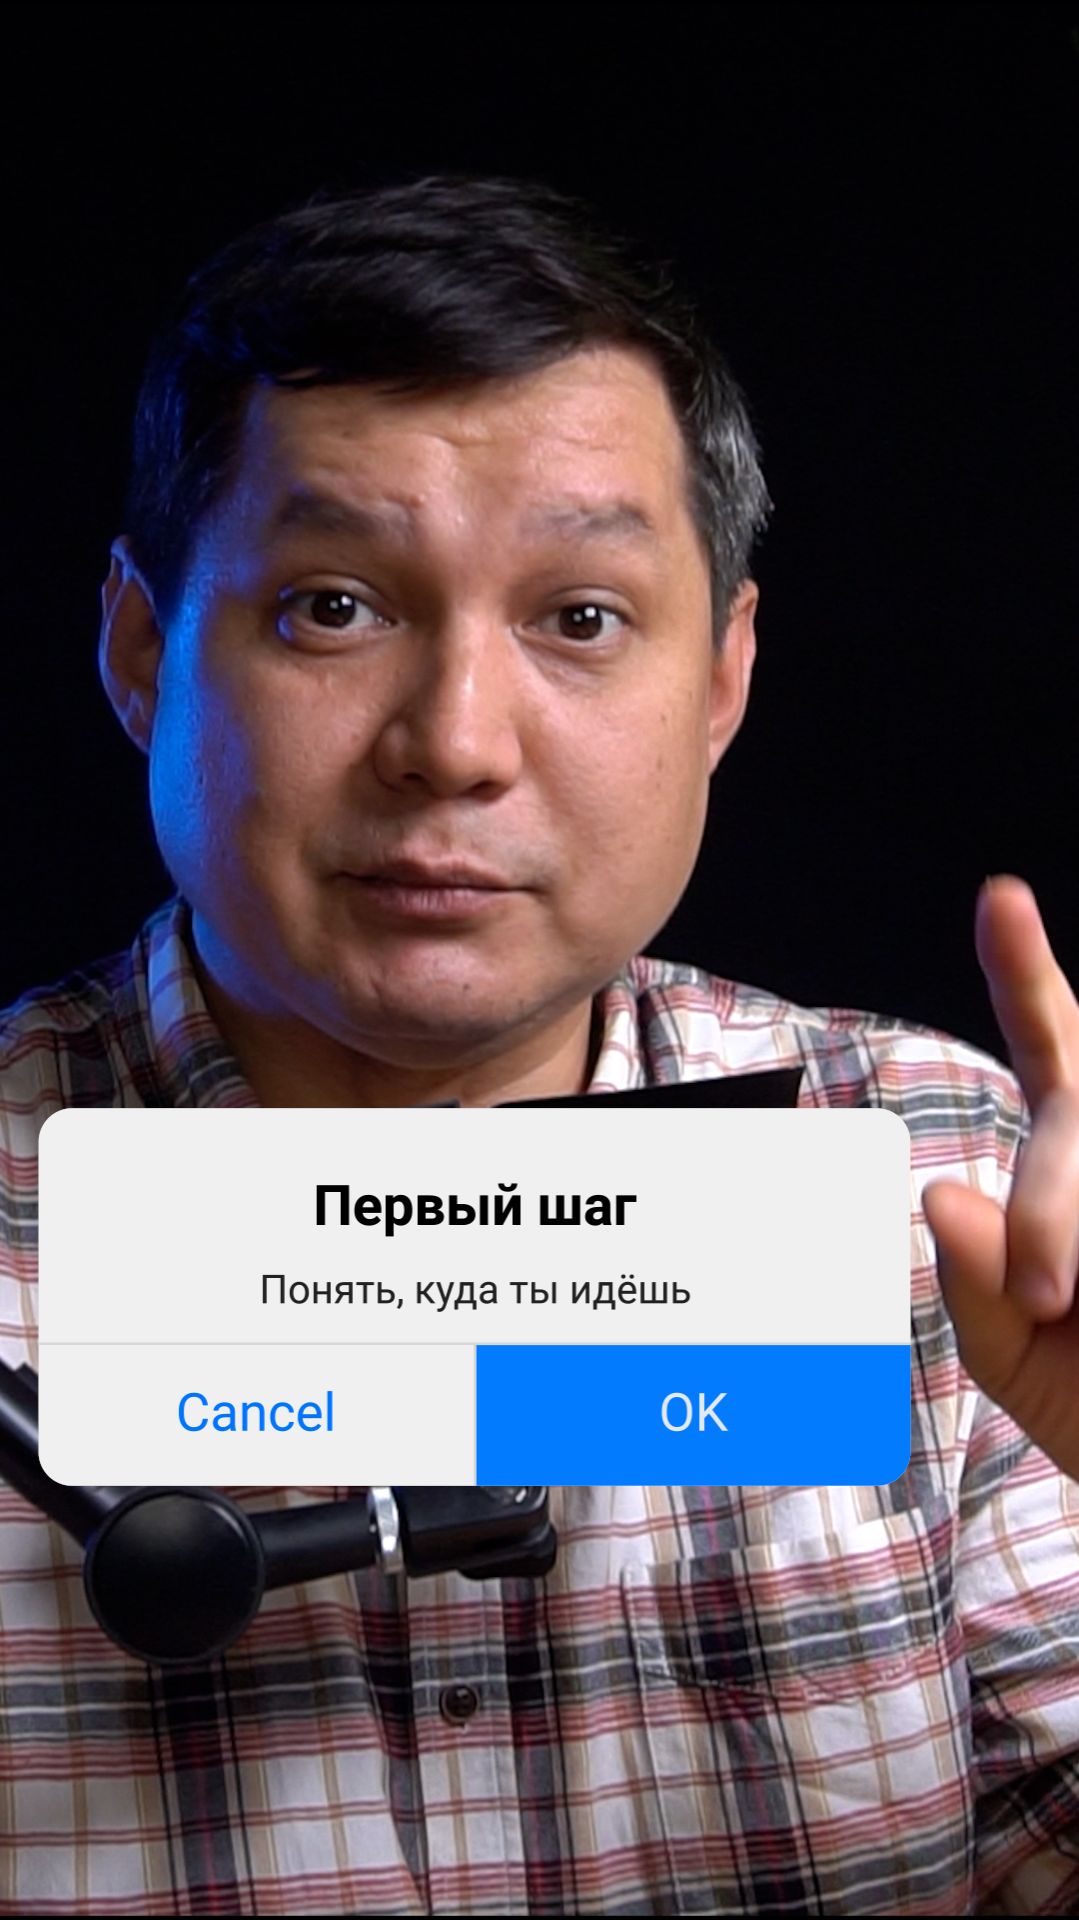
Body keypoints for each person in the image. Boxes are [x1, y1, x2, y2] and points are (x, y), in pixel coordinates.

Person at [0, 172, 1076, 1918]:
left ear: (721, 679)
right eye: (332, 606)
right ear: (140, 649)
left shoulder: (957, 1181)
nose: (455, 744)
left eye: (580, 619)